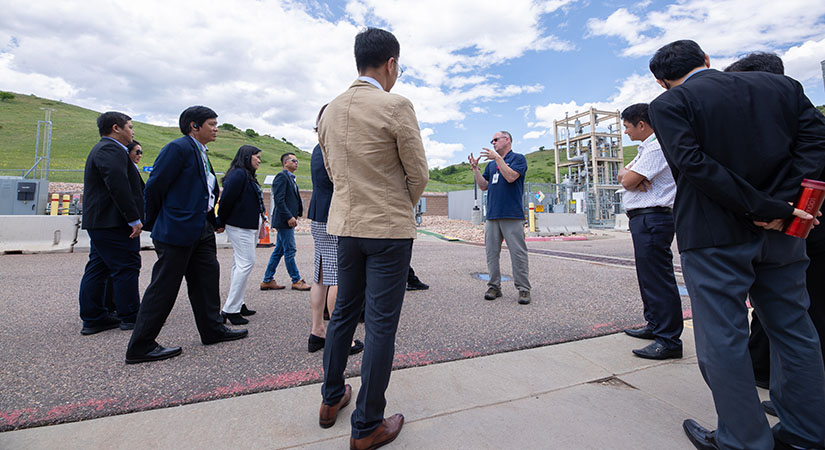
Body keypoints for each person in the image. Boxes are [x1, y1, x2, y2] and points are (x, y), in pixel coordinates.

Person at [647, 40, 825, 450]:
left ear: (661, 82)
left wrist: (757, 206)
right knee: (795, 330)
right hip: (784, 233)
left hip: (713, 237)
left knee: (722, 339)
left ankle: (744, 439)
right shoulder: (784, 88)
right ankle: (805, 433)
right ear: (707, 60)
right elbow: (815, 143)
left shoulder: (671, 104)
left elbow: (693, 165)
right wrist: (784, 206)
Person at [317, 27, 428, 450]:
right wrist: (401, 204)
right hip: (388, 229)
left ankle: (330, 401)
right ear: (391, 64)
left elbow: (331, 172)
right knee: (380, 324)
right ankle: (366, 426)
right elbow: (418, 173)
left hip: (346, 226)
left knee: (344, 312)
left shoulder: (330, 110)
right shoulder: (395, 105)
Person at [725, 51, 825, 416]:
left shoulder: (798, 120)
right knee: (786, 316)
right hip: (795, 225)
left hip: (803, 229)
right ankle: (776, 382)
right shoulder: (797, 116)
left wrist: (778, 210)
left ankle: (801, 408)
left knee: (801, 315)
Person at [125, 106, 247, 365]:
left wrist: (211, 221)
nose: (216, 129)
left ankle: (212, 330)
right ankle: (141, 345)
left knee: (206, 280)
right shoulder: (177, 148)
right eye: (212, 124)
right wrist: (157, 221)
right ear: (194, 125)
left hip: (201, 227)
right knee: (164, 287)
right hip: (176, 228)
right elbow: (155, 187)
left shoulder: (201, 152)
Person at [618, 103, 683, 360]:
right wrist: (630, 175)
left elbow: (627, 180)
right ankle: (655, 325)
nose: (625, 132)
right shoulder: (646, 147)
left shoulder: (656, 147)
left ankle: (669, 340)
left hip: (653, 218)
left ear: (641, 124)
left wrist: (632, 177)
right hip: (645, 219)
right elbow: (624, 174)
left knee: (658, 279)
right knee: (648, 277)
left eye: (627, 127)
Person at [77, 111, 143, 334]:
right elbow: (118, 184)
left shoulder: (106, 149)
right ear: (117, 128)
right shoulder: (110, 149)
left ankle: (94, 316)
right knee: (126, 266)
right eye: (130, 127)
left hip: (102, 221)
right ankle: (131, 316)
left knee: (99, 267)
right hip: (112, 222)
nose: (132, 131)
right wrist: (133, 218)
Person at [307, 106, 363, 356]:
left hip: (318, 216)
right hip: (335, 217)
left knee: (320, 276)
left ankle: (317, 330)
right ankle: (342, 339)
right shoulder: (336, 147)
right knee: (337, 278)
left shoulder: (317, 148)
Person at [468, 131, 531, 305]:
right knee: (491, 253)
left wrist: (497, 159)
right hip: (493, 215)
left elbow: (511, 177)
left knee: (518, 253)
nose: (493, 142)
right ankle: (494, 286)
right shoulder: (490, 165)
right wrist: (475, 169)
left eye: (496, 139)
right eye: (492, 140)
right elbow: (483, 186)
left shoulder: (518, 159)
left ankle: (524, 289)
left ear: (507, 140)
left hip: (512, 215)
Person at [216, 145, 266, 325]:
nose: (259, 160)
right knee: (246, 263)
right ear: (247, 157)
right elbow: (226, 199)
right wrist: (220, 221)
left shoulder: (246, 175)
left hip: (247, 225)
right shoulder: (238, 175)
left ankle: (238, 302)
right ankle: (231, 309)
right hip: (240, 225)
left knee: (240, 264)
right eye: (257, 157)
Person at [260, 152, 310, 292]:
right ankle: (296, 280)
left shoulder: (291, 178)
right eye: (293, 160)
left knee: (279, 250)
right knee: (290, 250)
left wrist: (297, 214)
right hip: (284, 221)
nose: (296, 163)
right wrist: (289, 216)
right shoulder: (282, 177)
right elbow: (279, 199)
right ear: (285, 163)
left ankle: (267, 280)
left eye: (297, 160)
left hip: (288, 220)